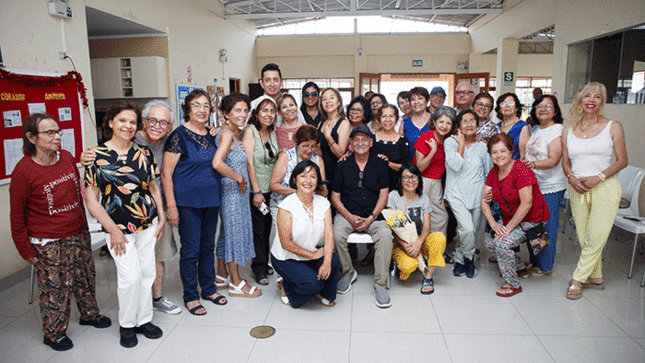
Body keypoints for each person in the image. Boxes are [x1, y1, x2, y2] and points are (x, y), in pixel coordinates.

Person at [10, 113, 110, 351]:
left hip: (78, 231)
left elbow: (77, 193)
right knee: (56, 290)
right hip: (48, 241)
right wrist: (26, 250)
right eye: (50, 133)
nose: (57, 137)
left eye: (58, 131)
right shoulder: (24, 171)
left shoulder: (65, 158)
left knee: (85, 278)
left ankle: (89, 314)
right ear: (31, 137)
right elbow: (16, 217)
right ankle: (54, 334)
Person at [81, 100, 181, 315]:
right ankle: (127, 324)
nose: (127, 126)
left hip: (148, 221)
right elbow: (91, 199)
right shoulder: (97, 155)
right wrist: (113, 230)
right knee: (129, 277)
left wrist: (161, 216)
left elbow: (154, 187)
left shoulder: (144, 153)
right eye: (122, 121)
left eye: (132, 122)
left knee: (148, 272)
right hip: (119, 228)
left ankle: (145, 317)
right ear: (110, 122)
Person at [162, 90, 226, 317]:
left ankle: (208, 288)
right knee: (191, 250)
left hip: (211, 200)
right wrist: (171, 206)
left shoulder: (211, 135)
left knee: (208, 247)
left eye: (206, 106)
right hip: (187, 202)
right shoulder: (179, 135)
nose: (202, 110)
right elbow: (166, 174)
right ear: (187, 109)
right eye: (196, 105)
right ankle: (190, 296)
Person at [562, 82, 627, 300]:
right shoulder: (568, 130)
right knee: (583, 237)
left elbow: (622, 161)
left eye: (597, 96)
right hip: (577, 187)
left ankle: (577, 279)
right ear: (580, 100)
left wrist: (598, 178)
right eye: (587, 95)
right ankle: (597, 277)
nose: (591, 99)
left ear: (602, 101)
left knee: (596, 236)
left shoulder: (613, 126)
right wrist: (571, 178)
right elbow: (565, 162)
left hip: (605, 187)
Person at [332, 125, 393, 308]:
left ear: (371, 142)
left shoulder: (381, 164)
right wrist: (350, 217)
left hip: (374, 215)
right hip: (347, 214)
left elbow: (384, 194)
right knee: (336, 234)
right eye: (356, 140)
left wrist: (372, 217)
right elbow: (335, 197)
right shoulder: (342, 165)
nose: (360, 143)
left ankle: (380, 284)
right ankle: (348, 272)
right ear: (350, 143)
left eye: (364, 139)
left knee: (385, 236)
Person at [482, 134, 549, 298]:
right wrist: (494, 225)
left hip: (532, 219)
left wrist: (506, 229)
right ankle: (518, 266)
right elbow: (484, 201)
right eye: (494, 152)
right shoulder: (494, 172)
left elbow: (527, 203)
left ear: (511, 151)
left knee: (502, 244)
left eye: (503, 150)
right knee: (489, 242)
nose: (499, 155)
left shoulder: (521, 170)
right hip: (509, 220)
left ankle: (513, 285)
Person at [213, 92, 262, 298]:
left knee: (226, 234)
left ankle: (221, 275)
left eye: (245, 110)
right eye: (237, 111)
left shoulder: (233, 134)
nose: (242, 115)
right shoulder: (226, 135)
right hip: (232, 193)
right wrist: (239, 178)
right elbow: (217, 163)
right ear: (225, 114)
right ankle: (236, 282)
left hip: (235, 194)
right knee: (233, 236)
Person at [271, 160, 340, 308]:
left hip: (310, 253)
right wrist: (313, 255)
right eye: (303, 176)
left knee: (333, 261)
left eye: (313, 177)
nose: (308, 181)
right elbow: (286, 243)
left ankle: (325, 293)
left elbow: (329, 235)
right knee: (314, 284)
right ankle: (287, 287)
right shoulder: (286, 206)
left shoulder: (323, 203)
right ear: (295, 180)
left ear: (318, 181)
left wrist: (326, 262)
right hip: (287, 258)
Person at [445, 110, 492, 278]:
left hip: (478, 194)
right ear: (458, 126)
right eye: (464, 121)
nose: (469, 124)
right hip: (456, 194)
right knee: (467, 228)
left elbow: (489, 172)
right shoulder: (450, 143)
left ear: (478, 125)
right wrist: (461, 144)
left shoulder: (483, 146)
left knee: (472, 231)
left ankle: (462, 258)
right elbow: (456, 165)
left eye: (472, 121)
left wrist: (488, 192)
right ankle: (469, 258)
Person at [523, 95, 567, 276]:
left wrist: (532, 165)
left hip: (550, 186)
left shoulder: (557, 130)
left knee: (547, 226)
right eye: (539, 106)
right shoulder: (537, 129)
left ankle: (545, 265)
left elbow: (554, 160)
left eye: (548, 106)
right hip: (534, 185)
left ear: (555, 111)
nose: (543, 109)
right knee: (532, 225)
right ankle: (534, 261)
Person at [387, 164, 446, 294]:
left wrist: (418, 243)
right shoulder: (393, 196)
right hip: (400, 243)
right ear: (400, 180)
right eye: (406, 177)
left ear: (419, 179)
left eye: (414, 177)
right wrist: (405, 245)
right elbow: (392, 228)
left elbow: (427, 227)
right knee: (408, 267)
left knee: (439, 238)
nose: (410, 181)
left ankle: (428, 277)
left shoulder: (424, 198)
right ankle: (403, 269)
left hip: (419, 240)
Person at [242, 96, 279, 286]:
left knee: (267, 229)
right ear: (256, 113)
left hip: (271, 189)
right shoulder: (250, 131)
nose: (269, 115)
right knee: (258, 229)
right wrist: (256, 192)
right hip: (255, 190)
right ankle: (258, 268)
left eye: (272, 111)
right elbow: (249, 163)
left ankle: (264, 262)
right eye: (265, 110)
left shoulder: (272, 132)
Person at [413, 106, 456, 239]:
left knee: (441, 216)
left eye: (448, 123)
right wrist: (433, 151)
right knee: (418, 215)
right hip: (421, 180)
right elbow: (419, 167)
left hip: (437, 181)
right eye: (441, 122)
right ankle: (417, 248)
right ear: (434, 122)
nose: (444, 126)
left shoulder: (449, 139)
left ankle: (437, 248)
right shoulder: (426, 137)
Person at [270, 125, 327, 220]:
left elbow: (324, 192)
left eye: (313, 146)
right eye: (305, 146)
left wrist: (319, 188)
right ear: (297, 143)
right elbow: (273, 185)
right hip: (283, 205)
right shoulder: (286, 157)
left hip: (308, 207)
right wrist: (299, 192)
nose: (309, 150)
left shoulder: (318, 160)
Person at [373, 104, 411, 191]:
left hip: (396, 187)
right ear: (379, 119)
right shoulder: (371, 139)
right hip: (372, 187)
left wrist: (389, 163)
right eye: (384, 116)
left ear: (396, 118)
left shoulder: (402, 141)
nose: (387, 120)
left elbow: (407, 168)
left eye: (391, 116)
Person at [318, 87, 350, 185]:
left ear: (339, 102)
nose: (328, 101)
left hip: (337, 171)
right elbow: (318, 149)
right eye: (324, 99)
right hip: (322, 170)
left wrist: (328, 136)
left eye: (331, 98)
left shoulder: (344, 123)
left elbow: (340, 154)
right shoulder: (320, 124)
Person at [495, 92, 529, 160]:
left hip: (515, 167)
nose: (507, 105)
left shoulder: (522, 126)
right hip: (497, 166)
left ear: (516, 108)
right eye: (503, 103)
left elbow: (523, 156)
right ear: (499, 109)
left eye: (511, 103)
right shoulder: (496, 127)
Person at [402, 87, 432, 157]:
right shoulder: (405, 123)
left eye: (420, 98)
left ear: (427, 101)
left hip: (433, 165)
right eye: (413, 100)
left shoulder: (435, 120)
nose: (416, 102)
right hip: (411, 165)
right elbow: (401, 148)